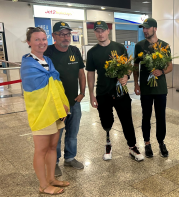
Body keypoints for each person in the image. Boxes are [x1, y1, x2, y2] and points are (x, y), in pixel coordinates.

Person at [21, 27, 70, 195]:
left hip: (55, 111)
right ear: (29, 42)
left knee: (52, 146)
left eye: (43, 39)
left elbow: (55, 85)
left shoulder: (48, 60)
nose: (41, 43)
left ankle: (51, 178)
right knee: (41, 150)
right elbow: (35, 94)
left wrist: (62, 106)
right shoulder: (28, 64)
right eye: (37, 39)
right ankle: (43, 185)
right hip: (41, 113)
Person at [86, 21, 144, 161]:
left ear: (108, 31)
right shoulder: (92, 52)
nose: (100, 34)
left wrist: (126, 75)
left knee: (127, 121)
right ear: (95, 33)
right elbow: (90, 73)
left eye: (103, 31)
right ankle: (108, 144)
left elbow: (128, 66)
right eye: (97, 31)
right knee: (106, 122)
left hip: (120, 92)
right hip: (103, 92)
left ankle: (132, 147)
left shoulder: (119, 48)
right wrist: (91, 94)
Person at [44, 21, 86, 177]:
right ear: (54, 36)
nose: (65, 37)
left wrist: (82, 93)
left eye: (67, 34)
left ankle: (70, 158)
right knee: (56, 134)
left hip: (74, 102)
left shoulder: (75, 50)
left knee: (72, 133)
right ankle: (54, 162)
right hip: (56, 104)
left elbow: (81, 73)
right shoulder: (48, 53)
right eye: (61, 34)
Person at [134, 18, 173, 158]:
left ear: (154, 28)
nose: (144, 31)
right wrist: (136, 83)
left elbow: (170, 66)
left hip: (160, 88)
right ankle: (147, 143)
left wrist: (161, 71)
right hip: (145, 88)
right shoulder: (139, 46)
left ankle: (161, 142)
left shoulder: (165, 46)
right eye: (143, 28)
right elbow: (136, 66)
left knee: (161, 117)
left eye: (147, 28)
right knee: (146, 116)